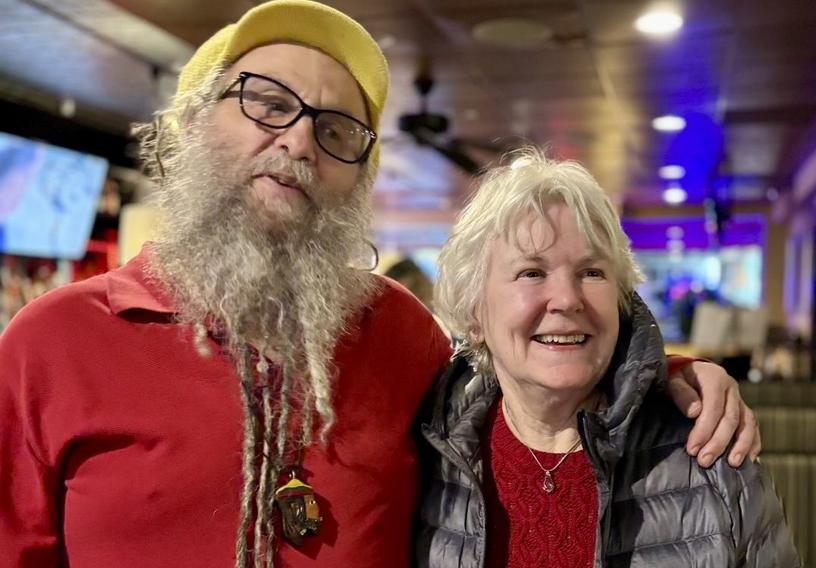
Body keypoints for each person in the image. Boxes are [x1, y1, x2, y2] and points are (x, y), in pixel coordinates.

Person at [0, 2, 759, 567]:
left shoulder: (401, 333)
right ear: (194, 124)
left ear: (356, 177)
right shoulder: (50, 344)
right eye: (267, 102)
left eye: (336, 129)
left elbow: (533, 382)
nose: (299, 138)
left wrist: (667, 377)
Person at [417, 150, 798, 567]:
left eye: (592, 272)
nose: (566, 299)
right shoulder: (430, 447)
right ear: (475, 313)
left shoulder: (711, 454)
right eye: (532, 272)